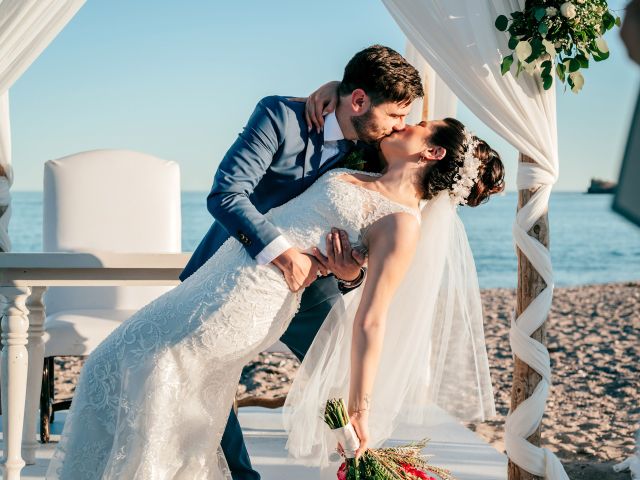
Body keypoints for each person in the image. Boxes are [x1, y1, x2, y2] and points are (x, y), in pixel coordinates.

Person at [46, 115, 504, 479]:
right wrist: (329, 92)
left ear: (432, 151)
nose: (404, 123)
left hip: (253, 296)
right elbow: (351, 109)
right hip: (223, 268)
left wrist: (360, 405)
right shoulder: (363, 165)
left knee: (157, 369)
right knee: (127, 365)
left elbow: (371, 319)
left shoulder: (403, 223)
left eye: (418, 126)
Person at [180, 44, 423, 479]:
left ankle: (367, 469)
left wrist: (353, 274)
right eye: (395, 116)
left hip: (315, 290)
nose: (399, 127)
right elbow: (226, 194)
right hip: (234, 269)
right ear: (360, 100)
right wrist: (283, 254)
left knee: (345, 381)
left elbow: (374, 221)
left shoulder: (376, 147)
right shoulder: (281, 116)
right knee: (203, 380)